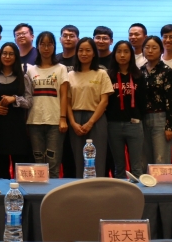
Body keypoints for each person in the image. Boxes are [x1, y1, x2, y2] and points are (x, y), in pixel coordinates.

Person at [67, 37, 113, 177]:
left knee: (97, 158)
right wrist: (73, 123)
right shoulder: (70, 75)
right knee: (78, 159)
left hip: (96, 119)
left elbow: (104, 101)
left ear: (94, 53)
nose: (84, 53)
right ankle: (80, 188)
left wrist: (90, 122)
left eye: (88, 50)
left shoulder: (101, 74)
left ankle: (97, 188)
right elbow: (67, 102)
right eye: (80, 50)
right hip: (75, 119)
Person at [27, 31, 69, 178]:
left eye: (49, 44)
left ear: (54, 46)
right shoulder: (31, 70)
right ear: (37, 46)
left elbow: (64, 95)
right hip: (34, 121)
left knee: (53, 163)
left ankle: (54, 192)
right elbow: (28, 96)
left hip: (55, 122)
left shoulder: (61, 68)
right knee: (38, 163)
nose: (46, 48)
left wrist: (63, 118)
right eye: (42, 44)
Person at [0, 42, 33, 179]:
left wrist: (14, 99)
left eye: (11, 54)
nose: (7, 57)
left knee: (20, 165)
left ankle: (22, 192)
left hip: (18, 128)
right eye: (4, 53)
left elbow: (29, 102)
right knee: (1, 166)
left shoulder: (23, 77)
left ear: (16, 56)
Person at [106, 41, 146, 178]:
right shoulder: (108, 76)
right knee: (119, 166)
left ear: (131, 54)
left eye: (126, 52)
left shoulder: (139, 76)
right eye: (119, 52)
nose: (122, 55)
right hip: (113, 124)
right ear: (114, 54)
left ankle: (138, 191)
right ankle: (120, 191)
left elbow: (143, 101)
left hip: (134, 124)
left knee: (137, 166)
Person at [141, 35, 172, 167]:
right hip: (143, 119)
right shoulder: (140, 71)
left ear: (161, 50)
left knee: (161, 160)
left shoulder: (167, 71)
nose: (150, 51)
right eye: (147, 47)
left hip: (161, 119)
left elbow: (171, 100)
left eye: (154, 48)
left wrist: (170, 126)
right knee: (144, 161)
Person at [55, 24, 79, 178]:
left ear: (78, 39)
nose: (68, 38)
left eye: (72, 36)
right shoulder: (55, 60)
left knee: (76, 155)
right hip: (58, 113)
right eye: (65, 35)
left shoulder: (82, 58)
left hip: (78, 111)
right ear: (60, 39)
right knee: (62, 154)